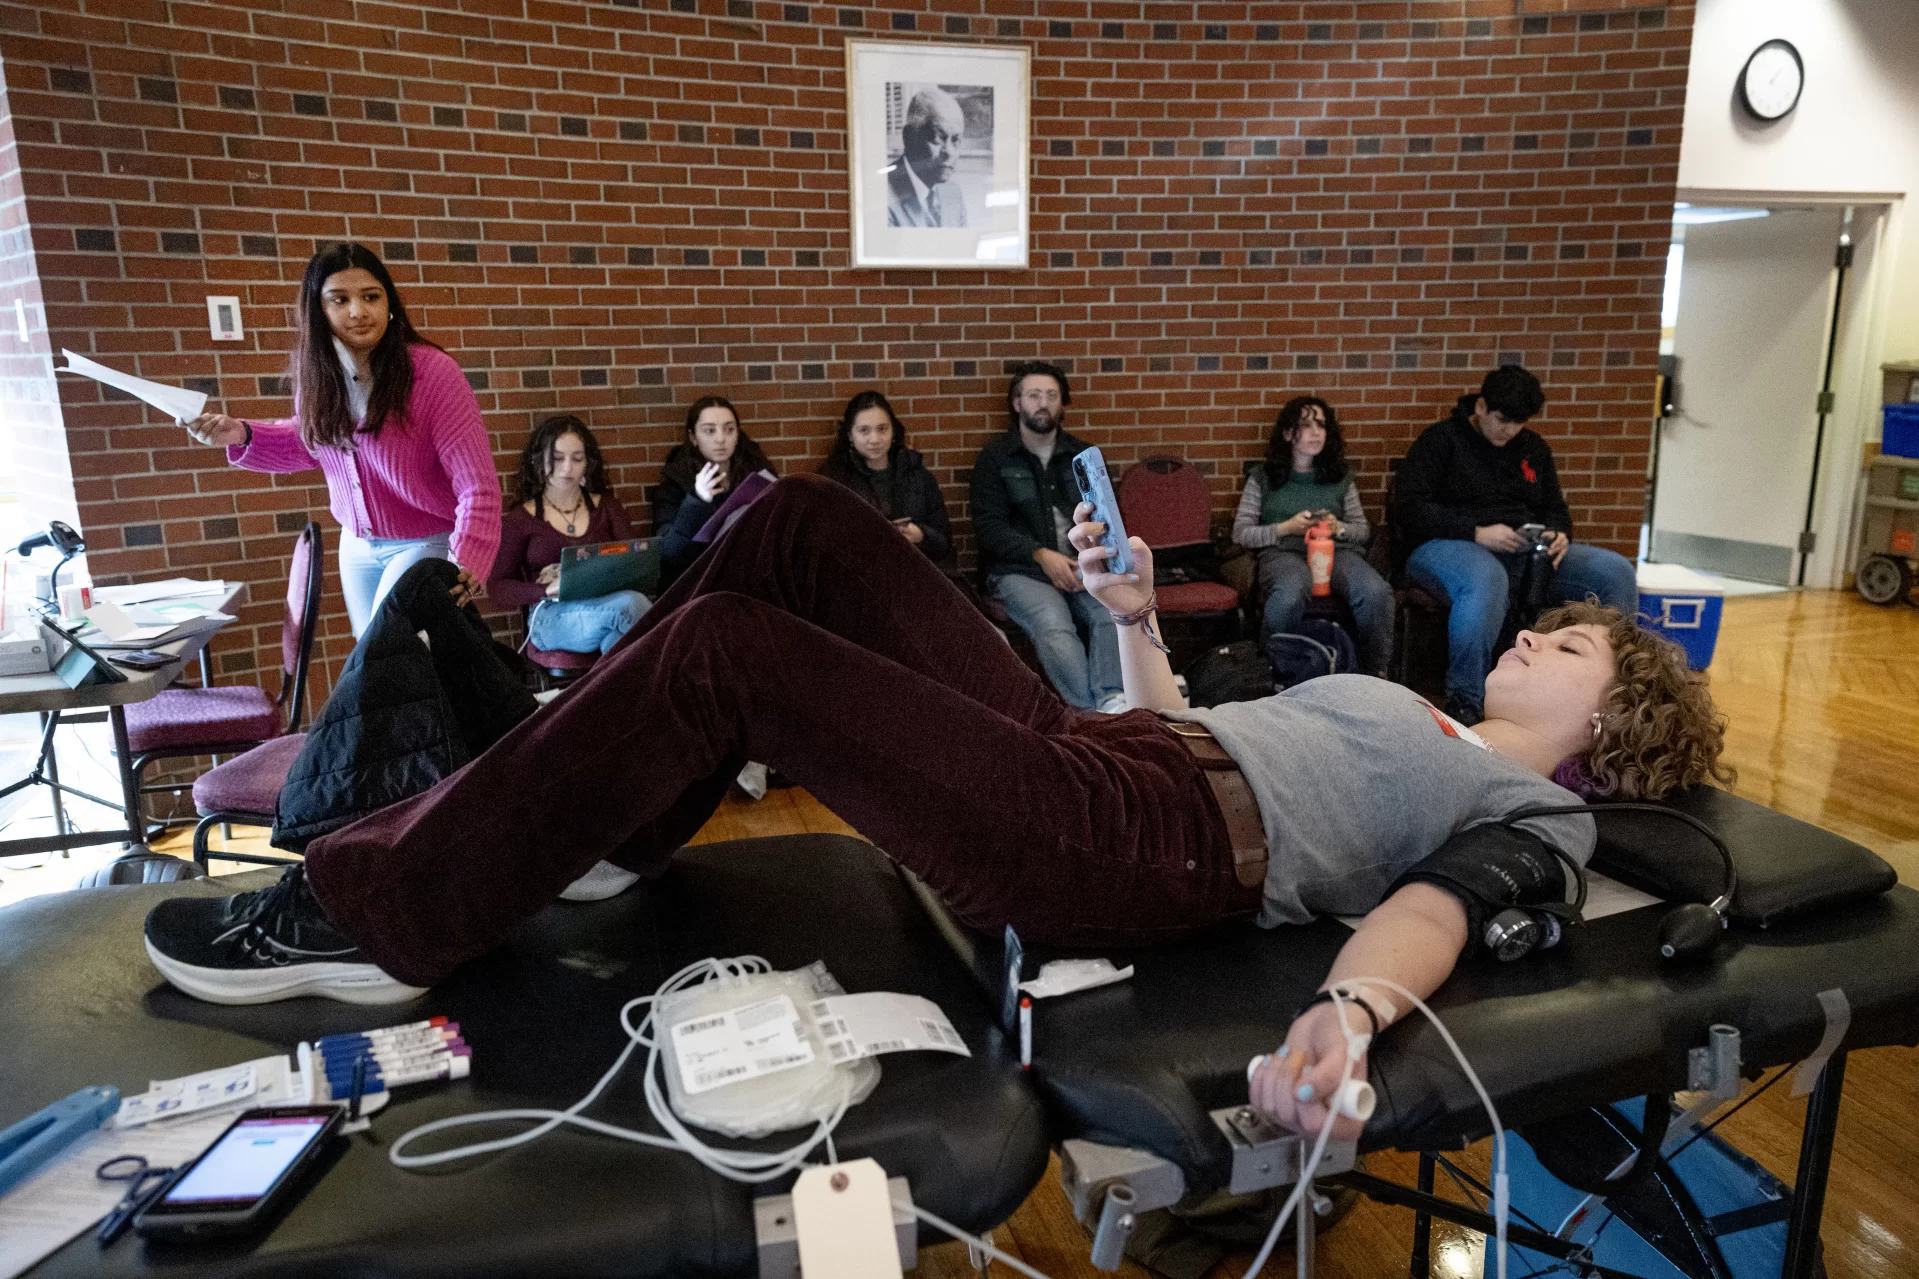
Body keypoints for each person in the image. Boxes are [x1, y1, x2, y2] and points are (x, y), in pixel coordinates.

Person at [143, 474, 1731, 1144]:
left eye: (1568, 643)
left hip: (1133, 845)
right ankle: (595, 828)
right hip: (1110, 753)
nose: (1533, 629)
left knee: (732, 652)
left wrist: (1347, 1011)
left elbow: (1432, 912)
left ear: (1609, 727)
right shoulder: (1420, 706)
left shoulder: (1537, 811)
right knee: (803, 528)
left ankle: (379, 913)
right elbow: (1197, 725)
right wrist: (1125, 612)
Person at [183, 243, 498, 638]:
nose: (358, 311)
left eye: (371, 297)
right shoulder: (319, 375)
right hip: (358, 546)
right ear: (319, 311)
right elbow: (315, 443)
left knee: (395, 658)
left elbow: (478, 486)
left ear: (390, 303)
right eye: (340, 300)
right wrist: (243, 434)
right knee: (373, 667)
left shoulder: (433, 374)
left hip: (425, 542)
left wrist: (467, 559)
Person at [1395, 365, 1640, 723]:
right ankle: (1466, 700)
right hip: (1445, 545)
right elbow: (1410, 509)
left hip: (1524, 548)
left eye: (1519, 422)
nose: (1509, 429)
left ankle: (1620, 692)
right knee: (1485, 577)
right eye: (1502, 419)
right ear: (1481, 407)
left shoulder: (1533, 448)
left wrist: (1558, 533)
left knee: (1614, 571)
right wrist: (1476, 531)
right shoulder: (1441, 441)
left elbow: (1555, 507)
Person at [970, 361, 1124, 712]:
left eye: (1052, 395)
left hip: (1082, 565)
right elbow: (989, 528)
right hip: (1018, 571)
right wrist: (1042, 555)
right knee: (1054, 625)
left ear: (1062, 402)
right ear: (1017, 403)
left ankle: (1113, 701)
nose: (1043, 403)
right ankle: (1088, 715)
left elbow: (1109, 520)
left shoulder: (1083, 458)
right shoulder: (994, 459)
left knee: (1111, 611)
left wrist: (1091, 559)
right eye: (1034, 395)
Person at [1233, 397, 1393, 676]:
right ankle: (1271, 675)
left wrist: (1337, 527)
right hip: (1283, 552)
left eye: (1321, 425)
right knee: (1290, 592)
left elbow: (1362, 531)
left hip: (1336, 551)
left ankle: (1374, 676)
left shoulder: (1340, 477)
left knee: (1375, 592)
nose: (1316, 432)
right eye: (1306, 426)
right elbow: (1241, 533)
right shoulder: (1263, 477)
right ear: (1287, 434)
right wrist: (1285, 528)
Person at [489, 415, 650, 656]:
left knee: (617, 642)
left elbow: (635, 562)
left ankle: (611, 691)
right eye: (557, 458)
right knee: (632, 605)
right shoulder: (521, 519)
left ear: (587, 464)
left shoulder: (607, 508)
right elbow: (497, 588)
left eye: (577, 459)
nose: (567, 468)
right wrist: (545, 590)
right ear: (538, 460)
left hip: (606, 603)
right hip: (551, 616)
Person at [654, 395, 776, 586]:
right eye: (709, 431)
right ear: (693, 437)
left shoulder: (756, 470)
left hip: (752, 573)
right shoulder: (677, 479)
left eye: (729, 430)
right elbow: (670, 552)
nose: (721, 439)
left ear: (737, 435)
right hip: (699, 578)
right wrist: (697, 501)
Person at [818, 390, 952, 562]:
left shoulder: (917, 476)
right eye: (864, 430)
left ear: (893, 431)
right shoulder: (834, 479)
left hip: (912, 572)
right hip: (858, 576)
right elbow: (823, 543)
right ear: (850, 435)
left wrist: (922, 535)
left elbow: (945, 542)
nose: (875, 439)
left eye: (882, 429)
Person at [885, 87, 969, 228]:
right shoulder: (882, 195)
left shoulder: (953, 194)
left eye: (955, 140)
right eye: (937, 138)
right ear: (909, 137)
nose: (948, 151)